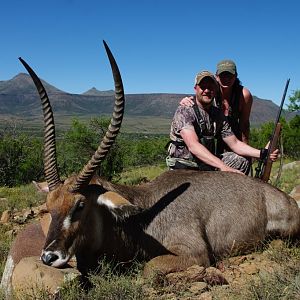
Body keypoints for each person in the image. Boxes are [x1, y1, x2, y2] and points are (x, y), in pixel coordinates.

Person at [166, 71, 278, 174]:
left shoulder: (218, 114)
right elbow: (193, 146)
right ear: (196, 88)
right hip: (185, 164)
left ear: (215, 89)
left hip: (206, 164)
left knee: (242, 160)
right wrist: (223, 167)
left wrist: (262, 154)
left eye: (210, 87)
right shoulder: (185, 110)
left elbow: (235, 143)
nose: (207, 90)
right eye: (203, 87)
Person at [180, 59, 253, 146]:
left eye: (230, 75)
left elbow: (244, 125)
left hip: (233, 138)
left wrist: (245, 147)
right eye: (223, 75)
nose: (226, 78)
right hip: (211, 136)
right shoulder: (211, 90)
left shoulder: (243, 95)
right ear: (217, 76)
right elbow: (199, 99)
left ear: (236, 76)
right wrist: (186, 100)